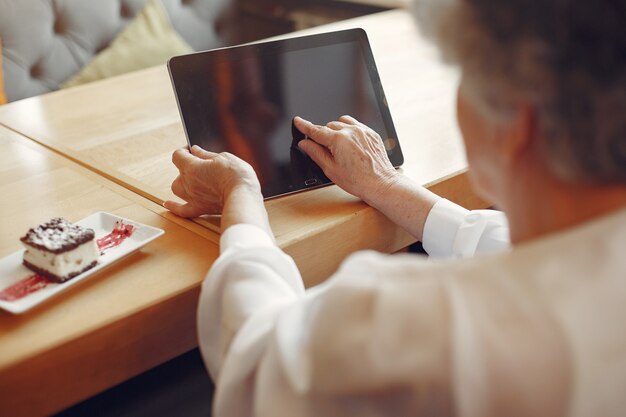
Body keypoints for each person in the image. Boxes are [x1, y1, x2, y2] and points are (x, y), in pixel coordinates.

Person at [164, 0, 626, 415]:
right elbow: (500, 244)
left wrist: (240, 193)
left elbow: (257, 365)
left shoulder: (420, 327)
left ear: (514, 123)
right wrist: (385, 183)